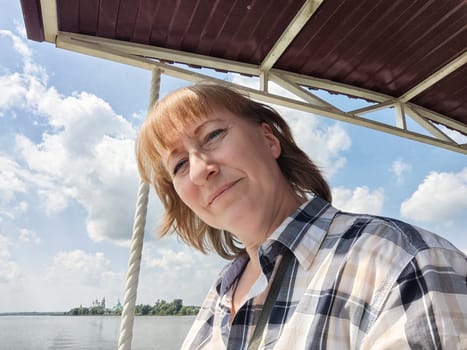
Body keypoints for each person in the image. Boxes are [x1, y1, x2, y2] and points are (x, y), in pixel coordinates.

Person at [136, 83, 467, 349]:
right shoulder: (221, 292)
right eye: (178, 165)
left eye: (212, 135)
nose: (199, 170)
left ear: (269, 140)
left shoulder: (402, 263)